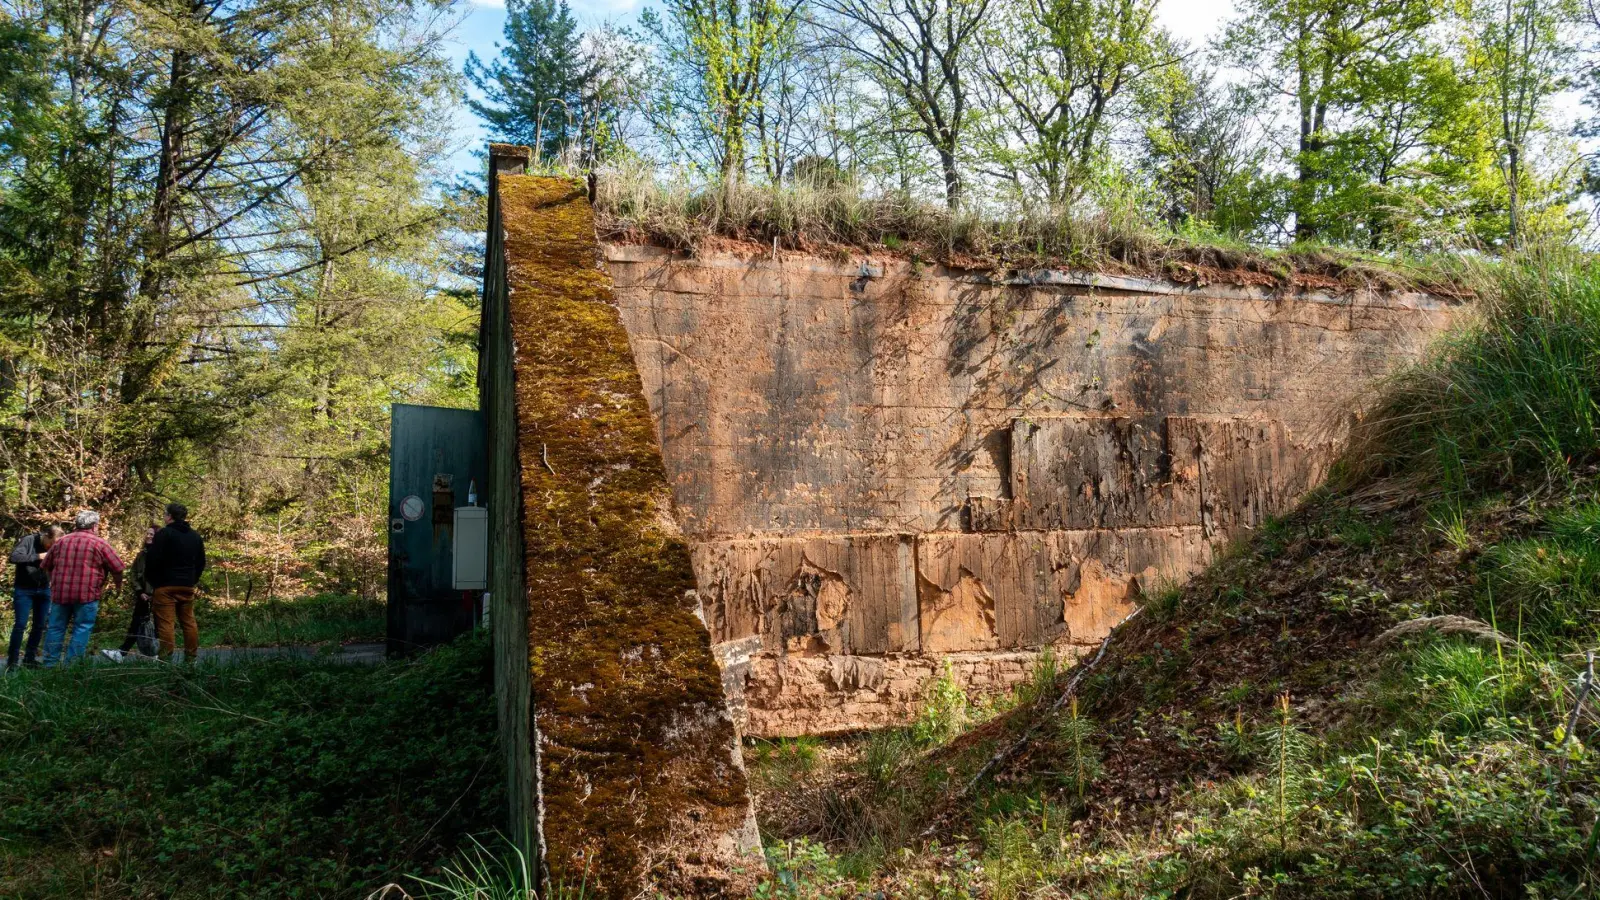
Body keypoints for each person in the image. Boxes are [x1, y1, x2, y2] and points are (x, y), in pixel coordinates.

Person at [41, 511, 125, 666]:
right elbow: (118, 567)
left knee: (55, 628)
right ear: (94, 526)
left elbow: (46, 565)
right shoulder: (100, 543)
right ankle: (71, 666)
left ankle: (49, 664)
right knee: (82, 628)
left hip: (60, 594)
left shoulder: (61, 542)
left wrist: (52, 582)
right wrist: (118, 586)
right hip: (87, 595)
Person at [147, 503, 205, 663]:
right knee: (189, 622)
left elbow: (152, 560)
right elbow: (201, 562)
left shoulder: (164, 534)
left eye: (165, 514)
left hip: (165, 585)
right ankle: (191, 659)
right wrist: (192, 579)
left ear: (170, 516)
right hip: (187, 585)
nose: (164, 517)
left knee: (166, 623)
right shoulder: (195, 536)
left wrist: (154, 582)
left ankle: (165, 660)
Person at [7, 525, 63, 670]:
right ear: (47, 536)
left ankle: (29, 659)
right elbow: (13, 557)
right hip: (24, 589)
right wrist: (38, 556)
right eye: (52, 543)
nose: (52, 547)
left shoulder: (54, 546)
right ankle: (12, 662)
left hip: (44, 589)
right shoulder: (28, 540)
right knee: (20, 625)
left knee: (39, 626)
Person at [101, 525, 158, 663]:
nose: (149, 536)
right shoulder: (141, 555)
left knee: (158, 625)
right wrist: (140, 591)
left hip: (157, 596)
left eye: (152, 534)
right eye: (148, 533)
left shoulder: (161, 555)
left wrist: (153, 593)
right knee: (136, 624)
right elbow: (133, 573)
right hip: (142, 596)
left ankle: (156, 654)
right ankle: (122, 653)